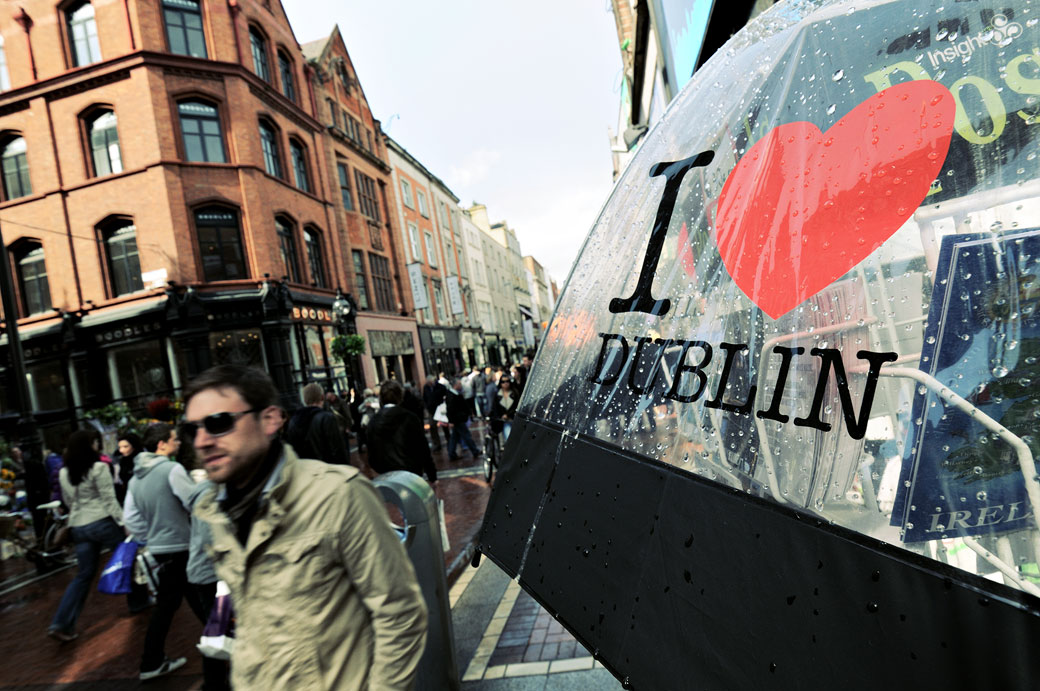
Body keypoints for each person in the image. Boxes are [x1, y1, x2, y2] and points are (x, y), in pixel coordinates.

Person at [184, 364, 427, 689]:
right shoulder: (214, 512)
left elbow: (400, 613)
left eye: (218, 423)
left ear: (270, 419)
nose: (202, 441)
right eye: (192, 430)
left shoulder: (338, 495)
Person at [48, 430, 147, 642]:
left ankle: (62, 622)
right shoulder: (99, 468)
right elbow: (109, 500)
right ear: (89, 446)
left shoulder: (64, 472)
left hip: (79, 527)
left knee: (83, 575)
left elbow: (68, 501)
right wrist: (124, 523)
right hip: (101, 521)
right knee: (127, 558)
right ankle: (138, 602)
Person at [123, 423, 193, 681]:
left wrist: (150, 534)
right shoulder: (172, 469)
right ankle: (151, 661)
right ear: (161, 444)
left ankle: (152, 660)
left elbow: (130, 518)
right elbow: (192, 502)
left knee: (170, 603)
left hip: (161, 548)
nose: (178, 443)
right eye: (174, 439)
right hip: (182, 544)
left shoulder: (134, 478)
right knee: (206, 596)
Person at [366, 380, 437, 483]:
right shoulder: (409, 418)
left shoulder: (373, 421)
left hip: (386, 476)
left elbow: (371, 456)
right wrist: (432, 476)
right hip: (411, 474)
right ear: (400, 396)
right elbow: (423, 450)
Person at [284, 383, 351, 465]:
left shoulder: (293, 421)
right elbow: (338, 451)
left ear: (305, 400)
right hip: (327, 470)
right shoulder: (327, 418)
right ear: (322, 397)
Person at [446, 377, 481, 461]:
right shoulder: (451, 395)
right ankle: (474, 450)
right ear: (455, 385)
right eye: (459, 384)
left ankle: (452, 454)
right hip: (457, 420)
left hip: (458, 419)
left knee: (454, 437)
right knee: (466, 435)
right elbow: (450, 409)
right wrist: (451, 420)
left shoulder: (455, 394)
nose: (461, 385)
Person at [112, 432, 142, 505]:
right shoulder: (121, 460)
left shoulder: (142, 460)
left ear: (134, 446)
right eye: (120, 447)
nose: (121, 450)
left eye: (125, 446)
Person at [422, 375, 448, 451]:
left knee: (444, 425)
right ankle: (437, 444)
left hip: (440, 409)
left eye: (430, 383)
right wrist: (427, 406)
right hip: (431, 410)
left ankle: (449, 439)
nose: (429, 384)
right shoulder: (426, 387)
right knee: (432, 427)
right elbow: (425, 397)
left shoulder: (440, 387)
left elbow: (446, 396)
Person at [491, 374, 520, 442]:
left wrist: (509, 414)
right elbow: (495, 408)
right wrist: (501, 416)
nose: (505, 383)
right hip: (504, 422)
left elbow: (518, 406)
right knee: (509, 439)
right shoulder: (497, 395)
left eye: (507, 381)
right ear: (500, 383)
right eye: (503, 382)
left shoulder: (515, 393)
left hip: (515, 420)